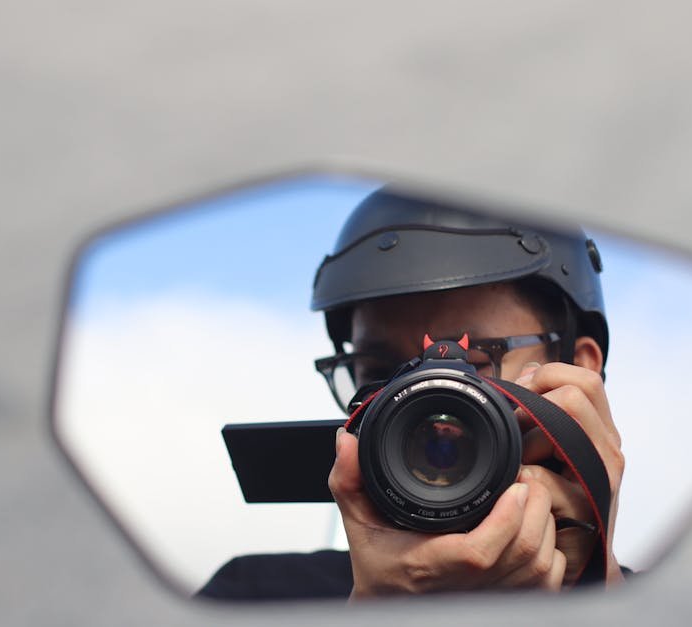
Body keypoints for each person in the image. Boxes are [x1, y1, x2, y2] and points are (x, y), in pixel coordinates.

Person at [199, 187, 624, 600]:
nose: (422, 405)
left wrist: (593, 593)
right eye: (379, 371)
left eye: (470, 363)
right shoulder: (251, 600)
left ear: (576, 370)